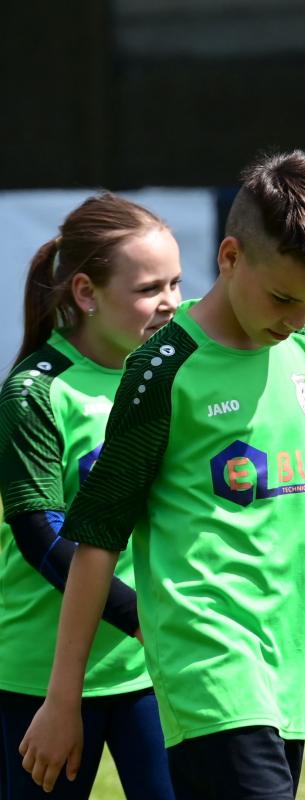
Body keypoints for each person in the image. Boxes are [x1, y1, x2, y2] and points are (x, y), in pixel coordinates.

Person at [17, 151, 305, 799]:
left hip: (286, 674)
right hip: (207, 668)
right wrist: (64, 700)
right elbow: (98, 539)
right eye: (283, 297)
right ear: (230, 256)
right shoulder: (162, 368)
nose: (296, 319)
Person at [0, 193, 181, 799]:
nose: (170, 302)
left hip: (149, 668)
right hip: (38, 674)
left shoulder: (172, 374)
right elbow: (42, 537)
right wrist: (143, 619)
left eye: (176, 283)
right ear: (86, 293)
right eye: (149, 288)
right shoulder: (34, 393)